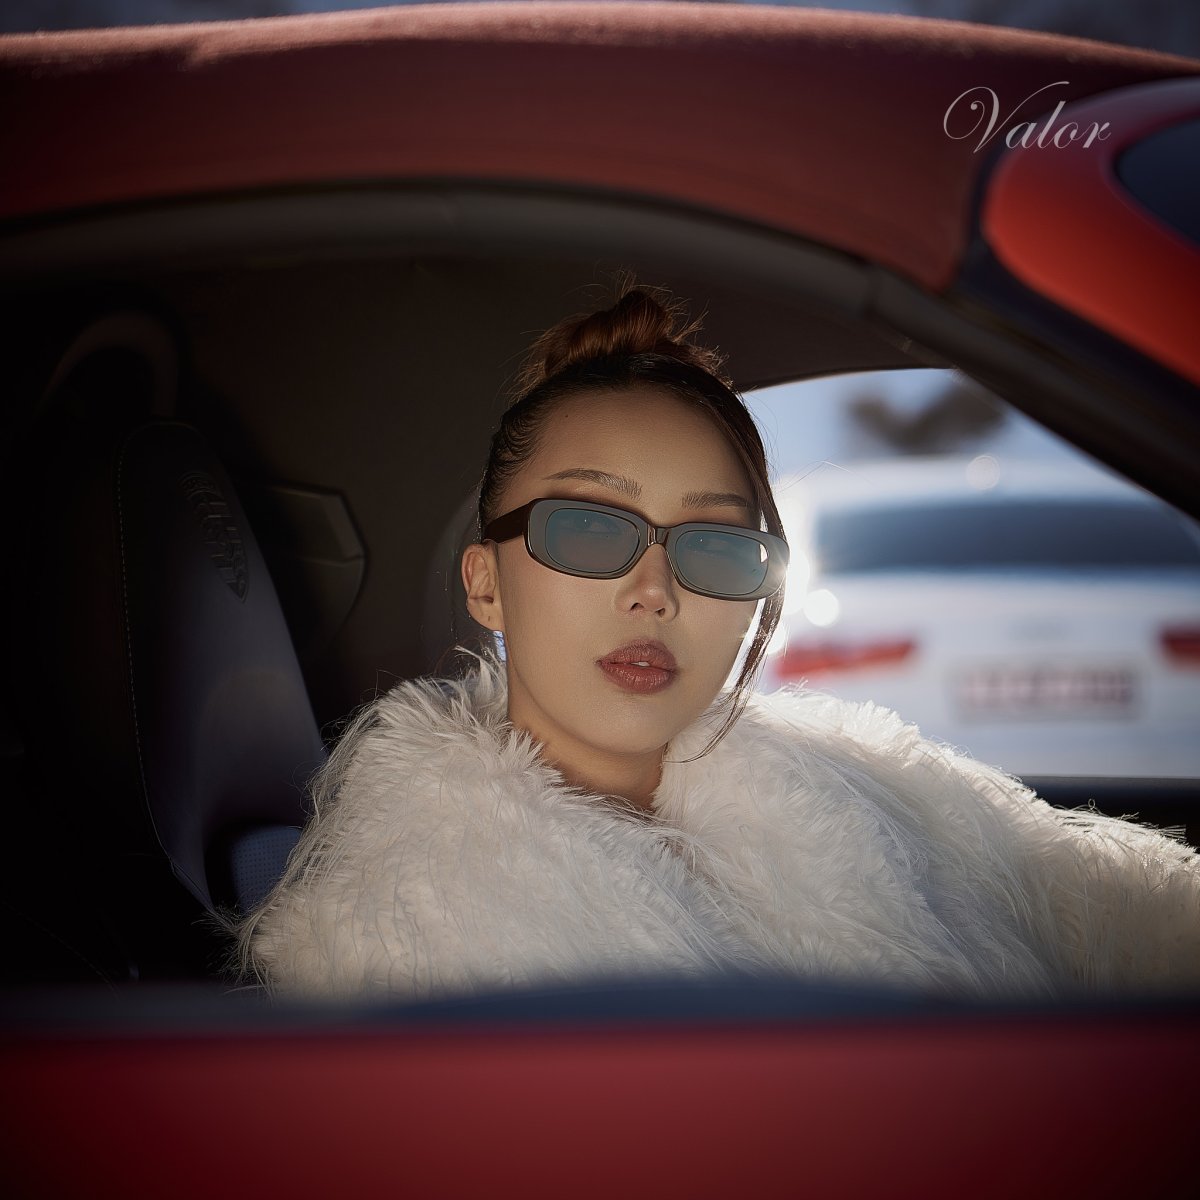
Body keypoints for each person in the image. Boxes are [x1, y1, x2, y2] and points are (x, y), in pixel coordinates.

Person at [237, 283, 1200, 1000]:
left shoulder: (864, 788)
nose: (655, 591)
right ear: (486, 583)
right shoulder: (401, 938)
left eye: (714, 545)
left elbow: (1133, 923)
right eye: (590, 528)